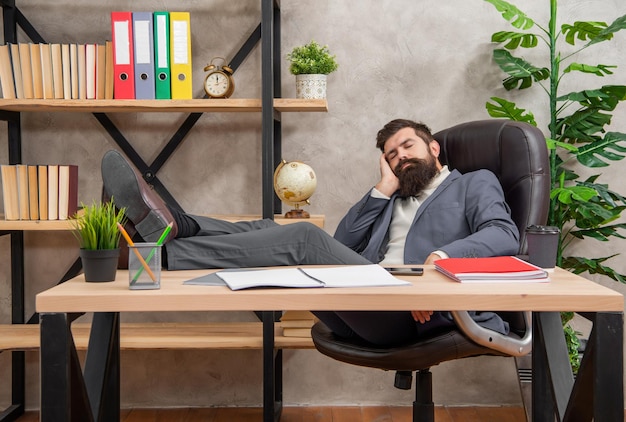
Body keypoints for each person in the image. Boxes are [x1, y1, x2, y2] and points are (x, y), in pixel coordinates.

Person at [101, 118, 519, 347]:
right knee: (271, 229)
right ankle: (177, 224)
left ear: (433, 148)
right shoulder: (391, 197)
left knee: (303, 239)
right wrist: (381, 190)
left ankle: (158, 253)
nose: (399, 157)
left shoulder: (472, 182)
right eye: (390, 155)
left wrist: (439, 267)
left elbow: (503, 234)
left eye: (407, 146)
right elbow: (344, 244)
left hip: (419, 313)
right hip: (370, 298)